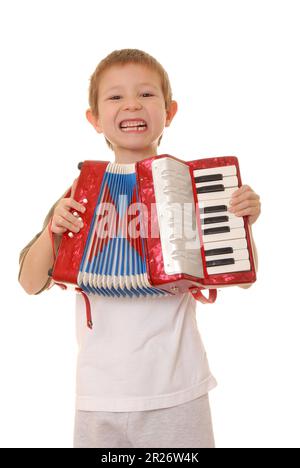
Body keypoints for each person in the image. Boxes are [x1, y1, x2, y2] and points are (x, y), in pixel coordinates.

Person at [18, 48, 261, 448]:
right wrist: (53, 232)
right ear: (93, 119)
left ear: (170, 110)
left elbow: (240, 276)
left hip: (178, 392)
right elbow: (29, 282)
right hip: (99, 396)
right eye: (115, 97)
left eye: (146, 94)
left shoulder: (196, 189)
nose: (132, 103)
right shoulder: (79, 193)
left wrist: (239, 222)